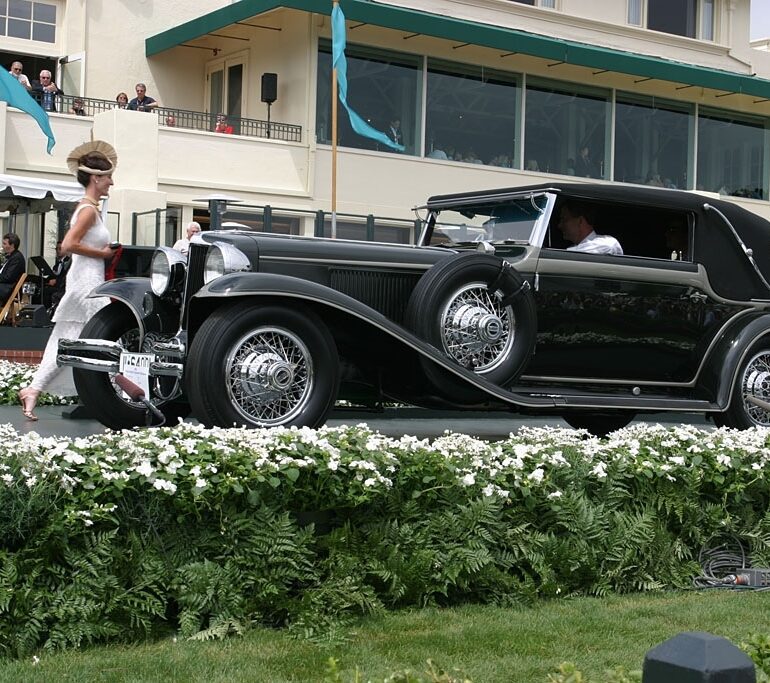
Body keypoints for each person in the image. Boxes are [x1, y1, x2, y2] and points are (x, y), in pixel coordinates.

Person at [18, 140, 118, 421]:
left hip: (86, 280)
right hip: (86, 283)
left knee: (74, 341)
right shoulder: (88, 210)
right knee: (99, 340)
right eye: (108, 176)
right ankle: (126, 393)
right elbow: (68, 245)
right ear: (96, 178)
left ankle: (34, 390)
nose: (111, 181)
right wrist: (102, 253)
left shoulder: (87, 208)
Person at [558, 201, 623, 256]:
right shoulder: (574, 248)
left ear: (580, 221)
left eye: (564, 219)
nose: (559, 225)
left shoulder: (607, 242)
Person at [44, 240, 71, 311]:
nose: (58, 251)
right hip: (55, 286)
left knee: (47, 291)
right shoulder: (56, 265)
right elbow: (53, 275)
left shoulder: (68, 262)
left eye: (60, 249)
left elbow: (66, 277)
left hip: (62, 288)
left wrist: (56, 281)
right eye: (57, 249)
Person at [0, 233, 25, 306]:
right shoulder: (11, 256)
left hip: (7, 289)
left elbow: (8, 277)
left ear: (12, 245)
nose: (2, 246)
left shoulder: (17, 258)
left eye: (4, 244)